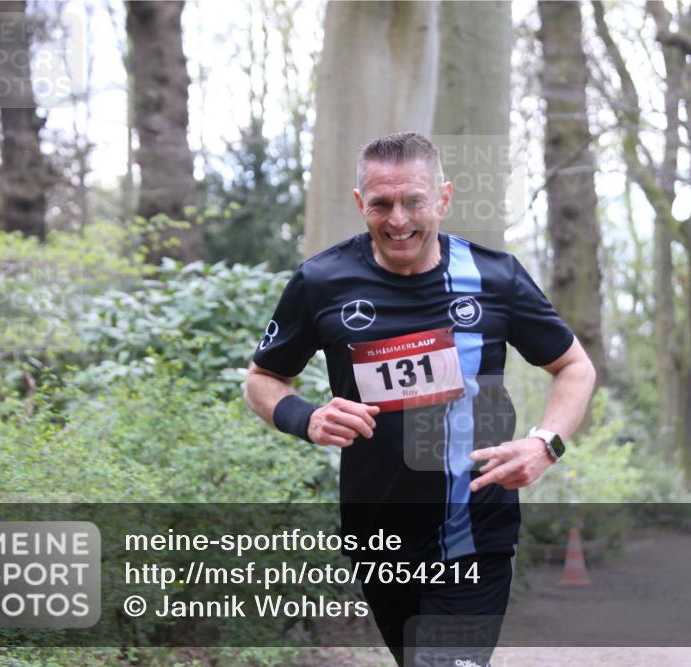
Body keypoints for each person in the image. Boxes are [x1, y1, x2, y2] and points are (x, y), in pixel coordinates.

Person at [244, 132, 596, 666]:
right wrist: (307, 417)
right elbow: (263, 378)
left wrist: (545, 444)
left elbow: (573, 366)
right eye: (382, 204)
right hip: (379, 537)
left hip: (473, 529)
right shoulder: (322, 281)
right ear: (361, 203)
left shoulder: (493, 277)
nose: (398, 220)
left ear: (444, 198)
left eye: (414, 200)